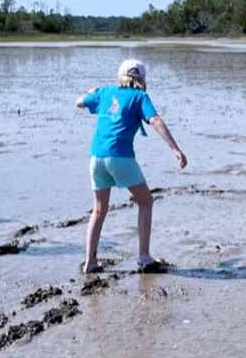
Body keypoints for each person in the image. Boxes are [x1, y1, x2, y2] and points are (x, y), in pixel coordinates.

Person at [76, 59, 187, 272]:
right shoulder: (140, 97)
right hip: (120, 158)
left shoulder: (105, 92)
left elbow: (79, 102)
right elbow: (154, 120)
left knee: (99, 210)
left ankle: (90, 262)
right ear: (142, 79)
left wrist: (92, 91)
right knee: (145, 202)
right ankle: (144, 257)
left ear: (120, 76)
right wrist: (175, 149)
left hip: (96, 157)